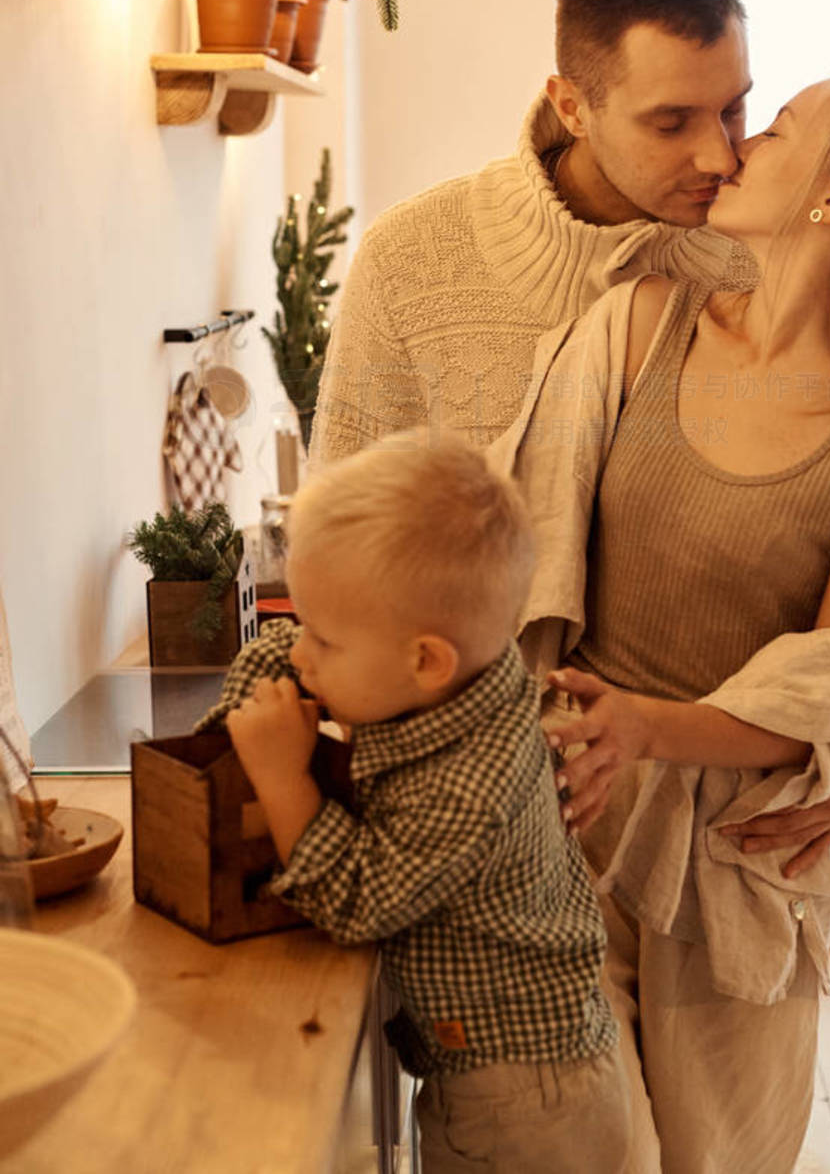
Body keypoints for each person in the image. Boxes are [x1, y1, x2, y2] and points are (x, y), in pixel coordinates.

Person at [490, 67, 830, 1172]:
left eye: (772, 131)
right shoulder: (639, 320)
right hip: (561, 811)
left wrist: (650, 724)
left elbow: (818, 696)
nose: (735, 148)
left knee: (713, 1156)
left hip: (737, 860)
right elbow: (520, 543)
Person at [309, 0, 830, 881]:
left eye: (736, 107)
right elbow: (339, 547)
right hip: (479, 842)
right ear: (571, 104)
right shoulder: (413, 260)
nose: (719, 153)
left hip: (722, 839)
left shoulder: (754, 258)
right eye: (671, 122)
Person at [196, 435, 631, 1174]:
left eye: (324, 640)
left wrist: (282, 779)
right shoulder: (461, 680)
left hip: (523, 1106)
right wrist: (266, 699)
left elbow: (357, 898)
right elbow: (278, 648)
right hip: (512, 1074)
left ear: (425, 660)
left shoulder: (469, 786)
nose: (300, 655)